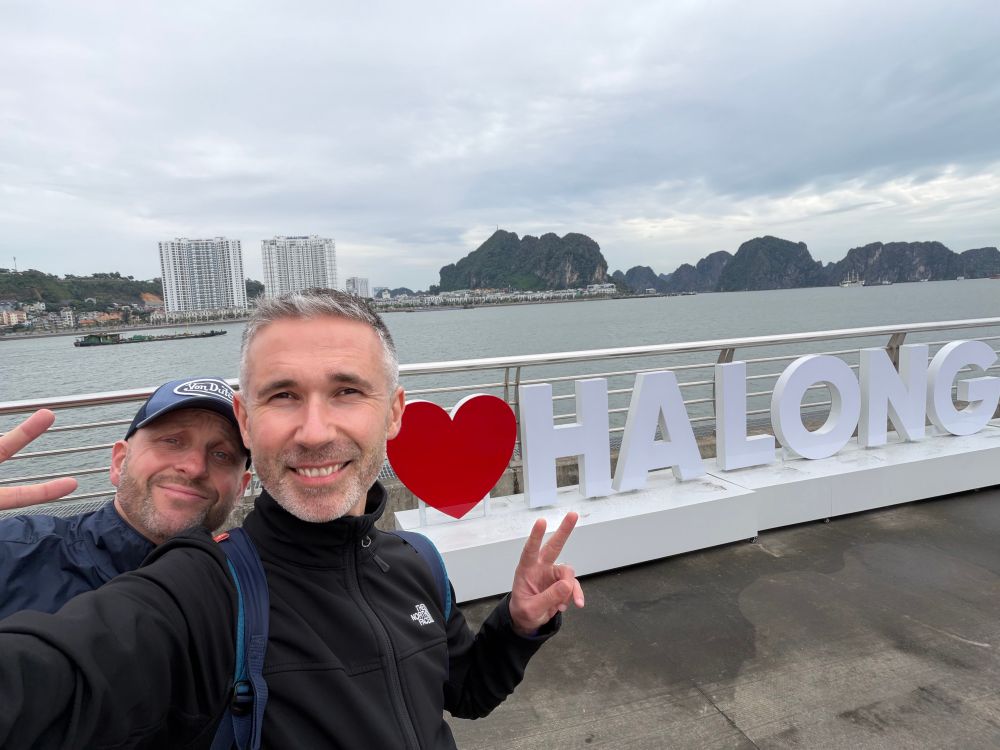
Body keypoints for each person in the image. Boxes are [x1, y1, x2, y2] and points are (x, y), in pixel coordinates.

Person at [0, 289, 583, 749]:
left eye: (347, 390)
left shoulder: (417, 562)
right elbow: (46, 682)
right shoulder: (204, 587)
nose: (314, 431)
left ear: (395, 413)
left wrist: (517, 625)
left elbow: (467, 691)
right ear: (247, 421)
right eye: (282, 395)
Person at [0, 377, 251, 618]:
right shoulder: (15, 552)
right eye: (172, 441)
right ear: (120, 462)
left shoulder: (248, 596)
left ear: (241, 488)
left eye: (222, 455)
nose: (195, 467)